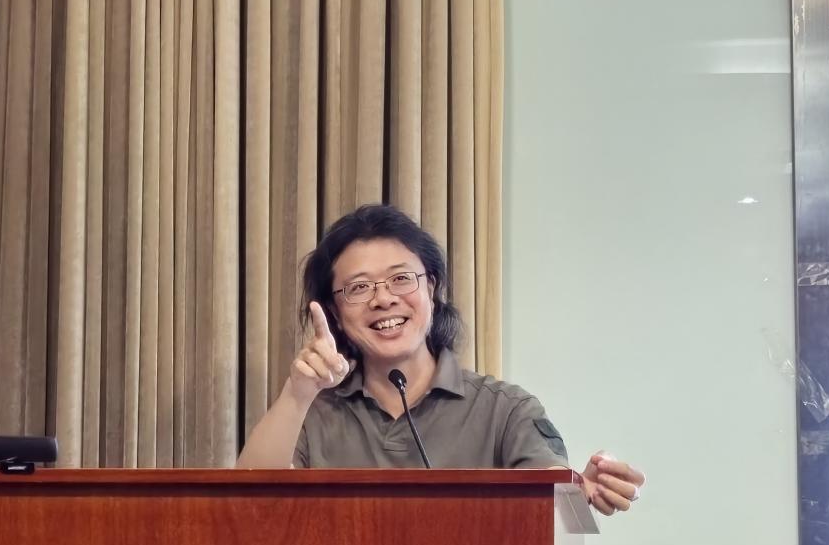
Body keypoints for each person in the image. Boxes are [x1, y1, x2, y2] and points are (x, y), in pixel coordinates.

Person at [237, 204, 644, 515]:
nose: (383, 299)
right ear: (335, 312)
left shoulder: (505, 410)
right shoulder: (312, 414)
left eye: (401, 279)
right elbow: (244, 508)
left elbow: (553, 498)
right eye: (359, 288)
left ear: (430, 289)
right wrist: (298, 393)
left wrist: (579, 489)